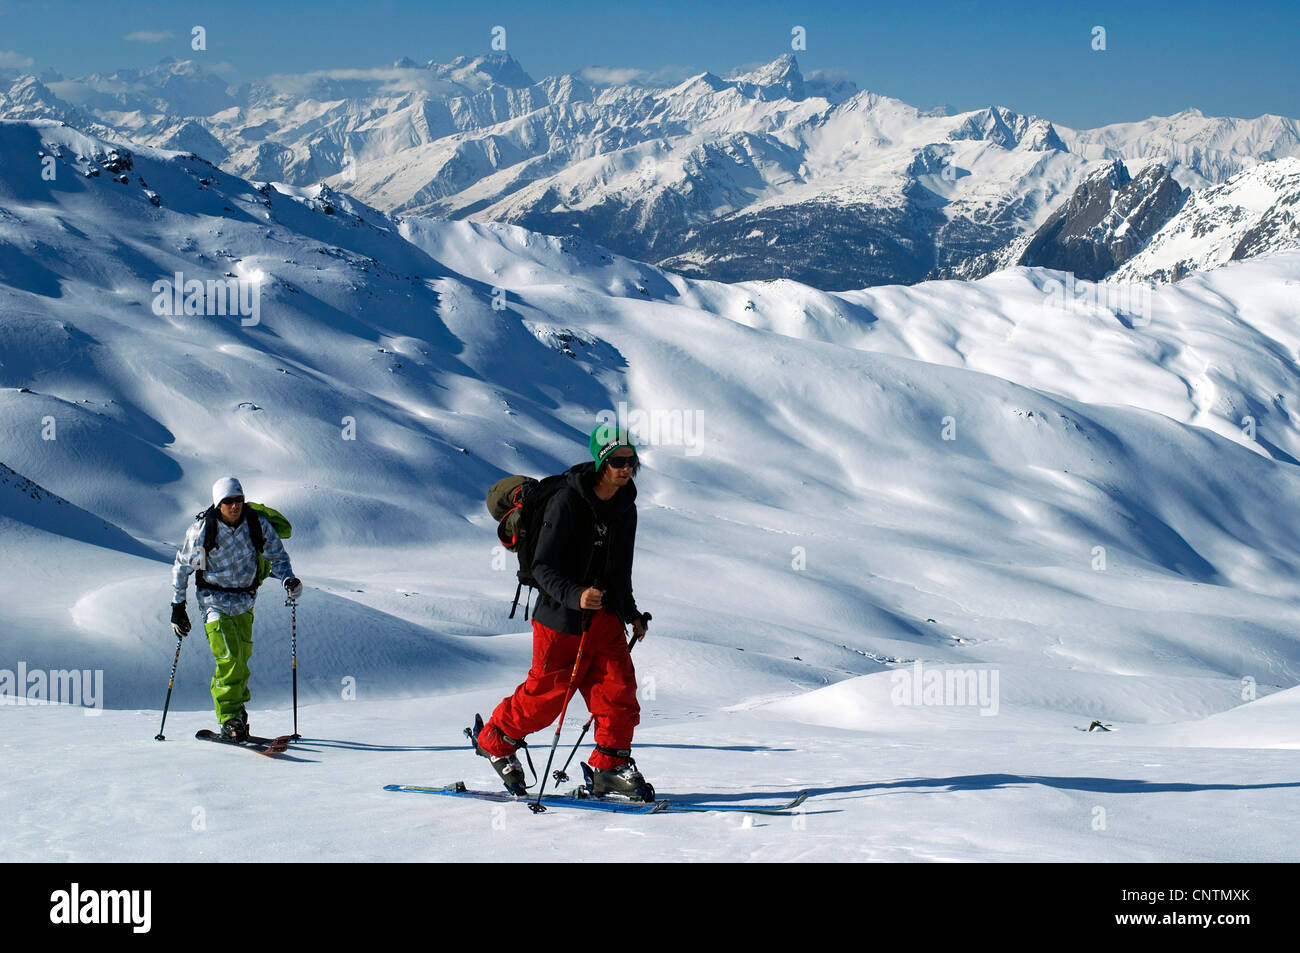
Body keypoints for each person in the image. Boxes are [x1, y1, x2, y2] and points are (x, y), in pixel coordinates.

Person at [473, 427, 652, 798]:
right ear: (602, 462)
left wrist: (631, 611)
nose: (626, 469)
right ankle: (495, 739)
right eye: (618, 461)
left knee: (618, 691)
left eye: (631, 461)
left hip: (604, 617)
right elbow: (543, 567)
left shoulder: (625, 507)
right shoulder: (567, 502)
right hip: (561, 619)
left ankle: (610, 765)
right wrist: (576, 594)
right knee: (545, 699)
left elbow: (620, 569)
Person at [170, 477, 302, 740]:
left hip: (245, 601)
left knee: (241, 660)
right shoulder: (204, 531)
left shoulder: (256, 525)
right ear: (218, 504)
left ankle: (238, 714)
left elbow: (277, 556)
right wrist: (178, 606)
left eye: (238, 500)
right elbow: (183, 567)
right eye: (228, 501)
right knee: (228, 658)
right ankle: (228, 717)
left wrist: (287, 578)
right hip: (213, 601)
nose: (234, 506)